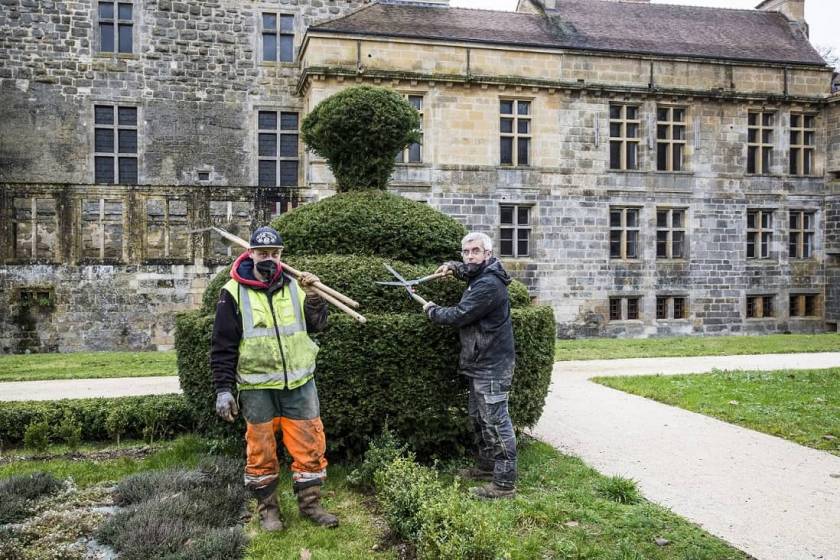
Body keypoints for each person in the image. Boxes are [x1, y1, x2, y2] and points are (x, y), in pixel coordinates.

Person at [211, 225, 338, 531]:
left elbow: (318, 326)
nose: (269, 257)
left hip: (300, 382)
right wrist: (223, 389)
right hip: (257, 387)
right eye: (263, 252)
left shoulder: (296, 285)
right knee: (261, 449)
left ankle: (311, 505)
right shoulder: (232, 293)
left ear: (281, 255)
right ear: (251, 253)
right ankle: (268, 511)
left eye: (275, 253)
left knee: (309, 445)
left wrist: (315, 298)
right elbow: (222, 345)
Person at [422, 232, 517, 499]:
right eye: (466, 252)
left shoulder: (489, 285)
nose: (470, 256)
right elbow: (469, 271)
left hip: (492, 365)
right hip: (480, 362)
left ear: (488, 254)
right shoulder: (481, 274)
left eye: (476, 251)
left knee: (496, 423)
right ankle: (487, 467)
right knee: (479, 419)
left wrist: (432, 310)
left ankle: (504, 485)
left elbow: (460, 315)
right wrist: (453, 266)